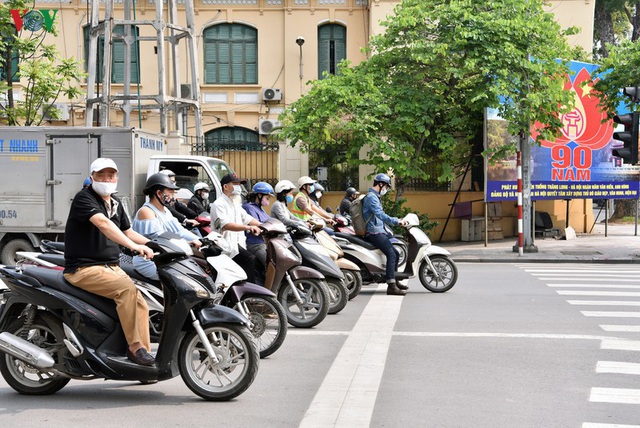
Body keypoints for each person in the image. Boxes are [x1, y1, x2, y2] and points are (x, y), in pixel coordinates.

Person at [63, 158, 156, 366]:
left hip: (111, 267)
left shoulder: (115, 202)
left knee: (141, 301)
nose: (107, 179)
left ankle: (144, 357)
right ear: (91, 177)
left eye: (110, 175)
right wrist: (133, 247)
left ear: (117, 178)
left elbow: (129, 232)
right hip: (84, 268)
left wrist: (155, 244)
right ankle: (135, 349)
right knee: (127, 291)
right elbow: (103, 224)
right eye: (101, 175)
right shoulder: (84, 198)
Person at [132, 173, 202, 280]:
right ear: (159, 193)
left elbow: (180, 231)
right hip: (148, 261)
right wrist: (187, 243)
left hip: (167, 258)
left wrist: (201, 240)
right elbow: (160, 238)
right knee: (181, 280)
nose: (173, 195)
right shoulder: (146, 211)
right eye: (170, 192)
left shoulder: (165, 211)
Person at [362, 173, 408, 296]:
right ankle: (391, 286)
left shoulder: (375, 196)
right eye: (386, 187)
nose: (386, 190)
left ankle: (396, 280)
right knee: (391, 254)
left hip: (379, 230)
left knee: (397, 252)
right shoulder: (372, 197)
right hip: (374, 232)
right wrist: (396, 221)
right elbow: (380, 215)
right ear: (380, 184)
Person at [211, 173, 261, 283]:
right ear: (225, 187)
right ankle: (250, 294)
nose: (238, 187)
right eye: (235, 183)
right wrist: (248, 227)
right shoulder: (218, 204)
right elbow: (226, 225)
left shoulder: (235, 203)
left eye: (239, 184)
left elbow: (247, 218)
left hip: (237, 244)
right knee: (249, 259)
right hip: (225, 246)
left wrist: (263, 226)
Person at [241, 182, 274, 278]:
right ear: (259, 195)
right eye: (267, 198)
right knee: (271, 264)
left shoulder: (260, 209)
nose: (268, 200)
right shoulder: (248, 207)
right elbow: (259, 224)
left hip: (264, 243)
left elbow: (270, 221)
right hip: (255, 244)